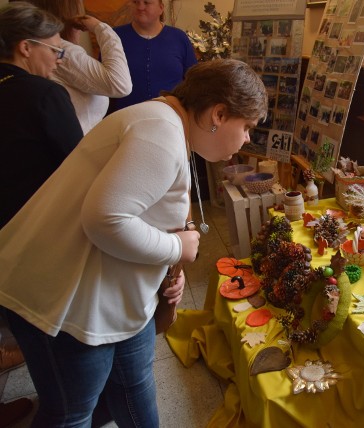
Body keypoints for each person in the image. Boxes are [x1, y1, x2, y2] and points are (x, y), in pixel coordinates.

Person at [0, 56, 267, 426]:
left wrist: (170, 262)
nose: (247, 139)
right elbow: (105, 218)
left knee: (134, 384)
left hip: (109, 290)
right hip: (65, 298)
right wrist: (178, 249)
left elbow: (150, 207)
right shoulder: (161, 131)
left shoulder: (167, 121)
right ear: (218, 114)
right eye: (248, 127)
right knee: (72, 412)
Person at [0, 2, 84, 425]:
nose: (58, 59)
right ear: (25, 47)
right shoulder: (44, 94)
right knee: (54, 360)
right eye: (55, 50)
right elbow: (79, 166)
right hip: (34, 238)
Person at [19, 0, 132, 134]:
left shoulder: (49, 49)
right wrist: (101, 28)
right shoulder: (62, 51)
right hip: (78, 148)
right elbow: (121, 85)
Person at [111, 0, 197, 111]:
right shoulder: (114, 37)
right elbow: (103, 80)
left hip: (171, 117)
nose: (140, 7)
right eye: (136, 2)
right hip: (125, 118)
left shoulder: (178, 37)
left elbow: (194, 80)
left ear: (161, 8)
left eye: (146, 3)